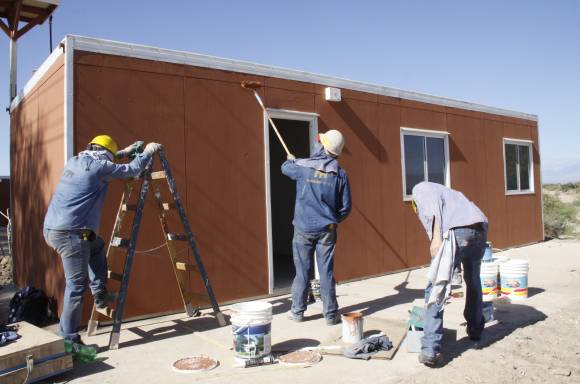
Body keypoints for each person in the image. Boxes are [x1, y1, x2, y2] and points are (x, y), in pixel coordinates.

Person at [43, 135, 162, 345]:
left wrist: (123, 152)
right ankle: (68, 339)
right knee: (76, 286)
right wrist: (147, 152)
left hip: (55, 229)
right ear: (106, 154)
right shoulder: (101, 169)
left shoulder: (75, 161)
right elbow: (131, 170)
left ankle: (100, 293)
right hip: (73, 234)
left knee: (96, 246)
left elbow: (103, 159)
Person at [411, 181, 488, 367]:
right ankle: (475, 329)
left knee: (436, 288)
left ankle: (430, 349)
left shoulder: (420, 189)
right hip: (480, 229)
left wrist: (436, 240)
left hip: (458, 232)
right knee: (473, 280)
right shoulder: (452, 193)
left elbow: (434, 213)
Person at [282, 130, 352, 325]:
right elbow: (346, 208)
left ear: (322, 146)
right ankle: (330, 315)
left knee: (302, 271)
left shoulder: (303, 167)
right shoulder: (340, 174)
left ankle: (297, 312)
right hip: (327, 230)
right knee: (326, 272)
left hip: (303, 229)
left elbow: (285, 168)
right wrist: (332, 219)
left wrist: (291, 160)